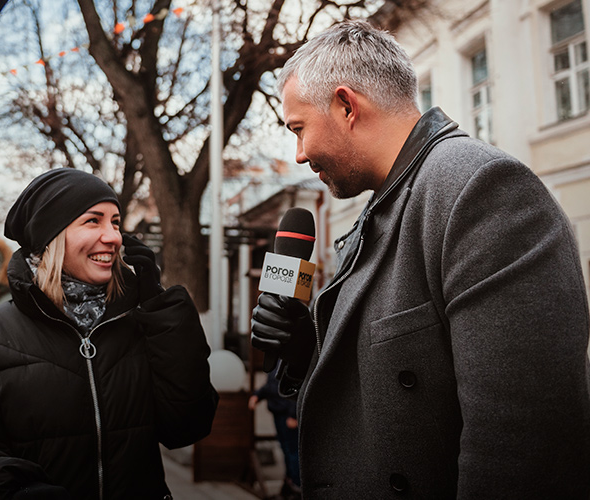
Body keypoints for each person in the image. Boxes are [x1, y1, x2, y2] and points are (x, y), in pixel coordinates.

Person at [250, 20, 590, 498]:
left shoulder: (478, 189)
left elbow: (522, 446)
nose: (301, 154)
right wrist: (313, 352)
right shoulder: (384, 205)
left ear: (347, 105)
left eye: (299, 129)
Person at [0, 168, 219, 499]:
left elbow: (188, 426)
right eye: (93, 221)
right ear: (51, 235)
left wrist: (161, 311)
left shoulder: (142, 324)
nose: (113, 236)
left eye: (115, 222)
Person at [248, 363, 300, 500]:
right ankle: (289, 486)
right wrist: (257, 396)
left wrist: (293, 414)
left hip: (287, 416)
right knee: (286, 450)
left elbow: (297, 388)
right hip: (278, 413)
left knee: (293, 452)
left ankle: (297, 488)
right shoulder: (276, 361)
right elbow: (271, 386)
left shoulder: (290, 360)